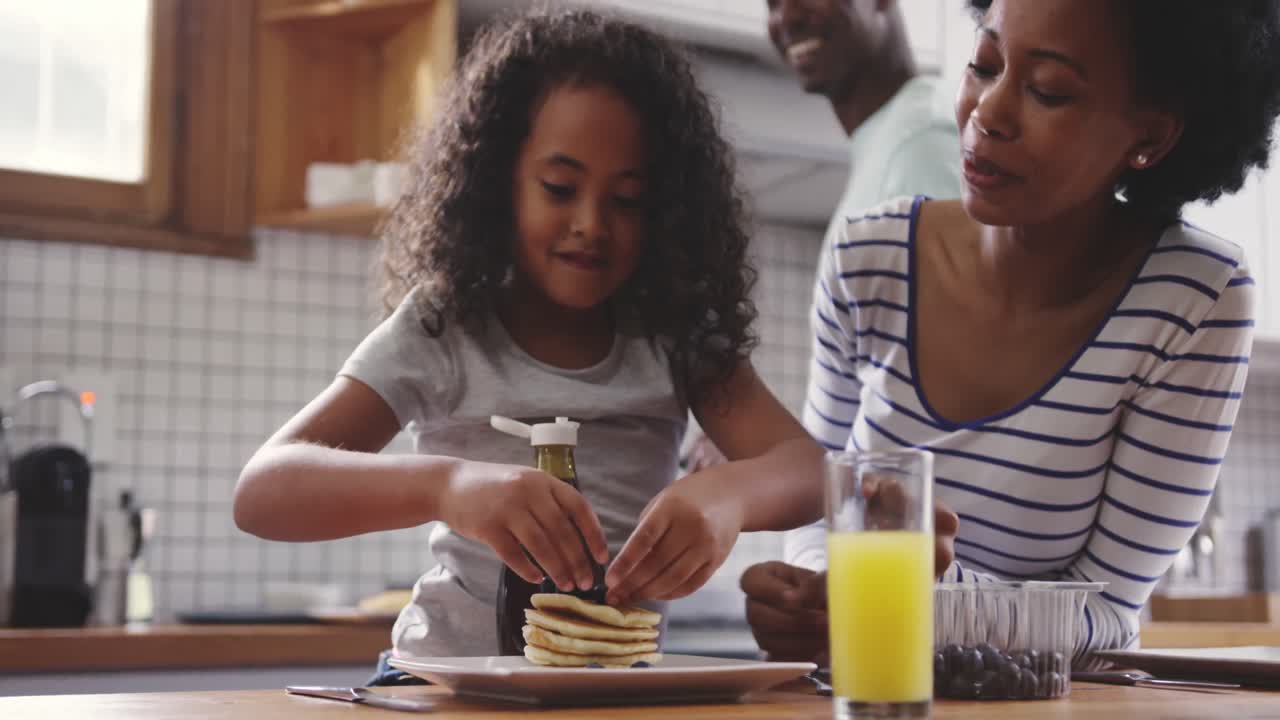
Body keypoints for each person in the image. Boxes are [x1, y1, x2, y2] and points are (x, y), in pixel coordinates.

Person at [232, 8, 840, 659]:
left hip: (615, 686)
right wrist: (446, 487)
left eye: (627, 200)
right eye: (559, 187)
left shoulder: (673, 333)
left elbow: (809, 470)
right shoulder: (446, 324)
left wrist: (730, 496)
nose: (591, 223)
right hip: (448, 684)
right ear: (499, 184)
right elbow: (265, 492)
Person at [743, 0, 1280, 669]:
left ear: (1150, 135)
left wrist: (907, 596)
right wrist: (809, 592)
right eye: (984, 64)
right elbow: (817, 511)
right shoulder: (867, 258)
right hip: (870, 691)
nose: (988, 112)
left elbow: (1109, 612)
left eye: (1048, 91)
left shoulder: (1195, 297)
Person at [685, 0, 963, 473]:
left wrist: (779, 459)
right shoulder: (894, 143)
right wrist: (768, 446)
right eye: (772, 2)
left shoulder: (919, 146)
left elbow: (932, 400)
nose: (786, 17)